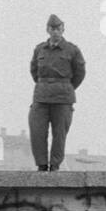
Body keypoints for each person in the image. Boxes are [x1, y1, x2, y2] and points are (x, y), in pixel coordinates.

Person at [28, 14, 85, 171]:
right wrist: (46, 84)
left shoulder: (72, 50)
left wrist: (65, 87)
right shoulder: (40, 49)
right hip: (41, 96)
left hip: (63, 98)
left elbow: (80, 73)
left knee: (59, 134)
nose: (55, 32)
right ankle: (41, 164)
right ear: (47, 30)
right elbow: (34, 71)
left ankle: (54, 165)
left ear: (63, 29)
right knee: (37, 130)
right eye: (52, 29)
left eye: (58, 29)